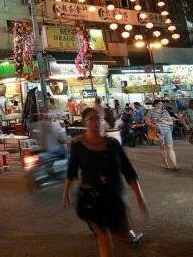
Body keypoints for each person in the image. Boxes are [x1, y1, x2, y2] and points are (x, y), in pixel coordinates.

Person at [64, 108, 146, 257]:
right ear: (85, 122)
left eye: (100, 118)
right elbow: (72, 171)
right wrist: (66, 192)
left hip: (114, 197)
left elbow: (128, 171)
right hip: (90, 199)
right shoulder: (78, 145)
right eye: (92, 119)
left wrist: (139, 195)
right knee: (102, 235)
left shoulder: (113, 144)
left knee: (117, 237)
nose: (96, 122)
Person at [146, 99, 177, 170]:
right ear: (155, 104)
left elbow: (171, 122)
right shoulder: (150, 111)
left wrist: (164, 122)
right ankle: (166, 164)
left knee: (170, 147)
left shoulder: (165, 111)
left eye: (161, 104)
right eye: (160, 104)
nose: (161, 105)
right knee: (162, 147)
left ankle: (175, 165)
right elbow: (147, 121)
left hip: (167, 131)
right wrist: (154, 126)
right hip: (158, 132)